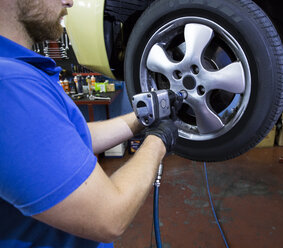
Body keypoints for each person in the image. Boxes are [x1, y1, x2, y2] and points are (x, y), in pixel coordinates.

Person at [0, 0, 178, 247]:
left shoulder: (19, 71)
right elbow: (109, 216)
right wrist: (158, 141)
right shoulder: (9, 83)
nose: (70, 1)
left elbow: (69, 139)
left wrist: (141, 119)